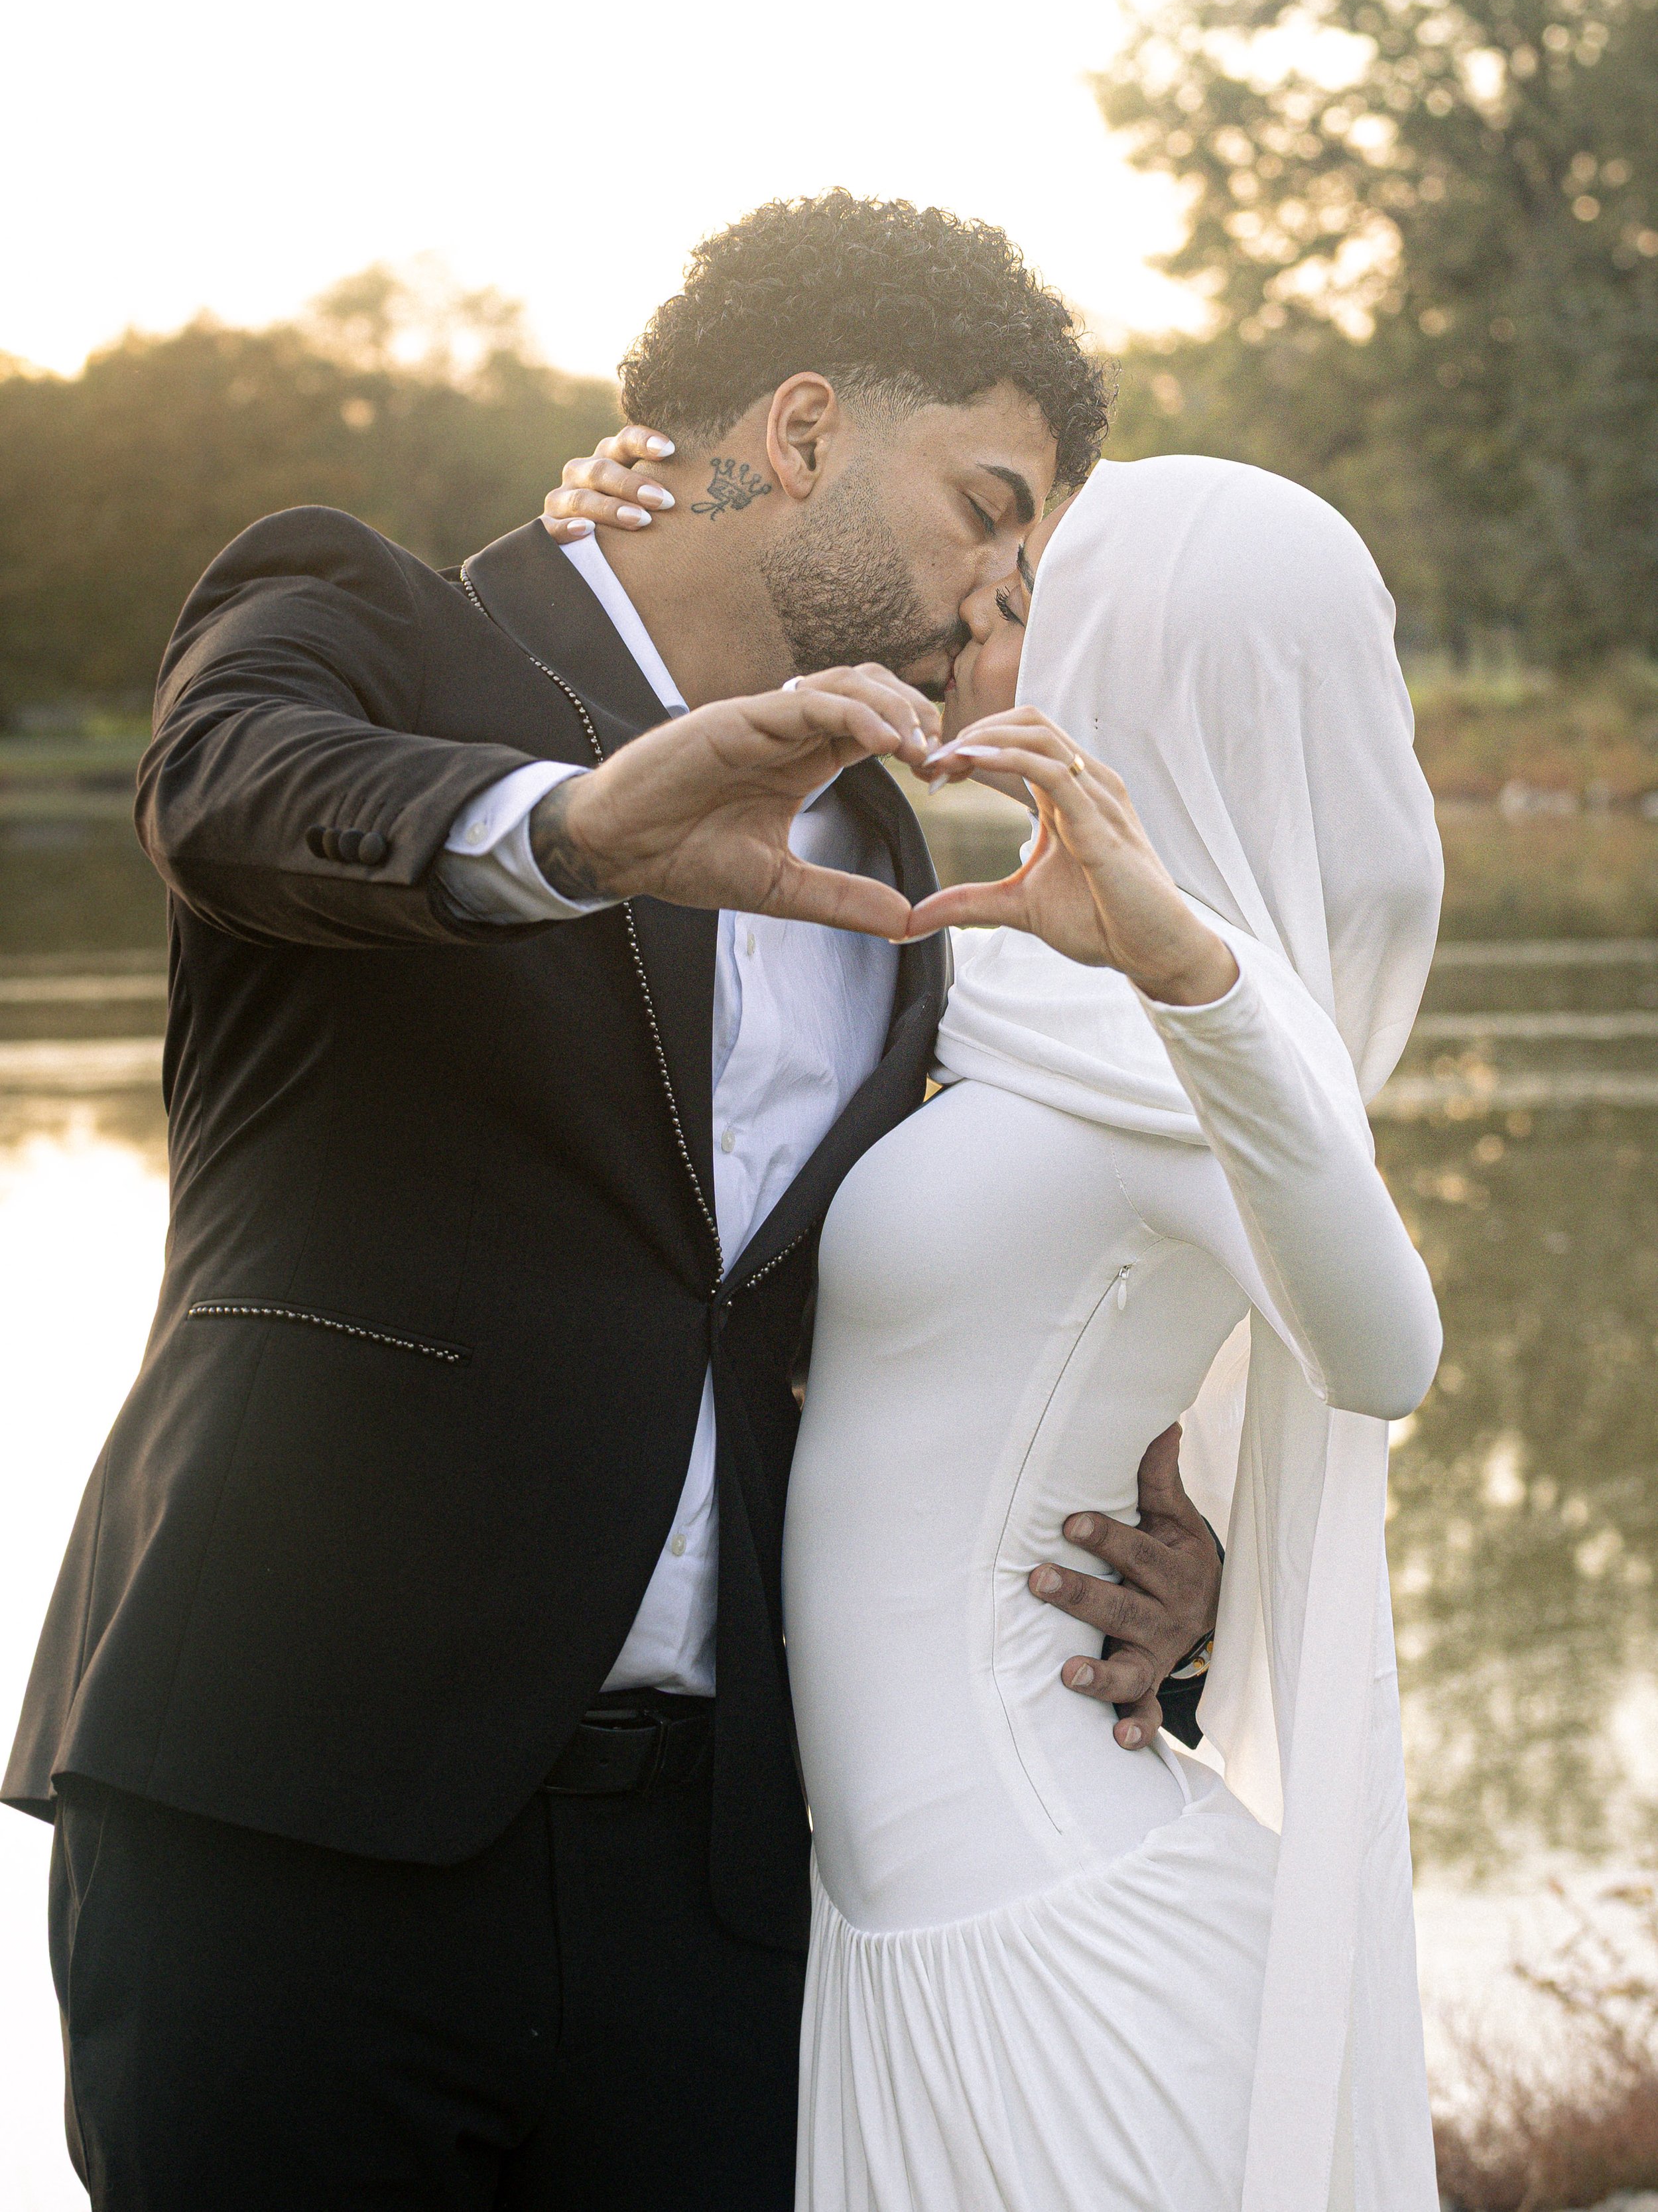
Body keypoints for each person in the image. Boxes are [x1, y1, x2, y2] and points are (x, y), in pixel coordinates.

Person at [7, 193, 1212, 2212]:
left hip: (727, 1877)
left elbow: (887, 1329)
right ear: (807, 432)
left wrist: (1146, 1595)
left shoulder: (912, 867)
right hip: (290, 1815)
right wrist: (570, 829)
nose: (1000, 594)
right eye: (985, 508)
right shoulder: (372, 618)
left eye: (1033, 558)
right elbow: (227, 791)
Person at [777, 452, 1446, 2212]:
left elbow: (1381, 1358)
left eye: (1016, 617)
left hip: (1055, 1930)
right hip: (908, 1916)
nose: (968, 651)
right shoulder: (1000, 975)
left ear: (1139, 684)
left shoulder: (1220, 1030)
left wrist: (1190, 980)